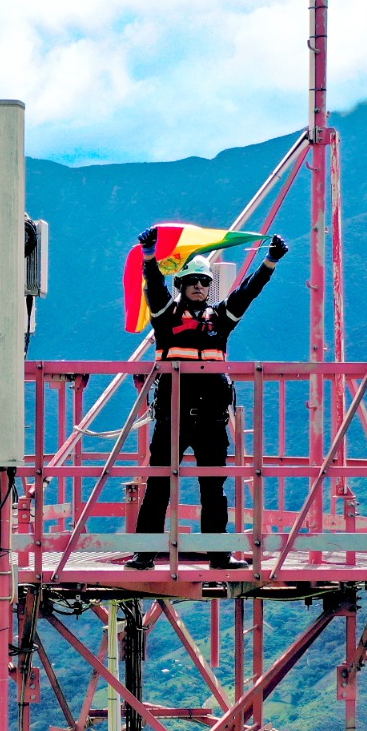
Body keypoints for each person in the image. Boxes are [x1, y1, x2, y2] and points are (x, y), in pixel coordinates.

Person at [126, 228, 289, 570]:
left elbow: (247, 293)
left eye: (203, 281)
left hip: (212, 418)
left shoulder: (220, 320)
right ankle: (144, 554)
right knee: (158, 484)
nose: (199, 286)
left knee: (213, 487)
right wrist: (150, 257)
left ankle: (218, 554)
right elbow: (154, 288)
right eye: (192, 281)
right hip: (173, 416)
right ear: (181, 286)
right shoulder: (166, 317)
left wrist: (270, 262)